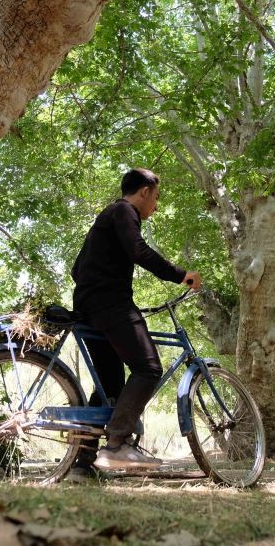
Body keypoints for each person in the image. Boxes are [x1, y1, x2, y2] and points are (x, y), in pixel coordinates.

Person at [66, 168, 201, 480]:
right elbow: (138, 251)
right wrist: (182, 275)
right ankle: (118, 444)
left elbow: (76, 270)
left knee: (109, 385)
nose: (156, 204)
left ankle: (82, 464)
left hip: (88, 306)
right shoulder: (124, 211)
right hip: (110, 304)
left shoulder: (107, 217)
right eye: (156, 197)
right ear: (144, 192)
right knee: (149, 368)